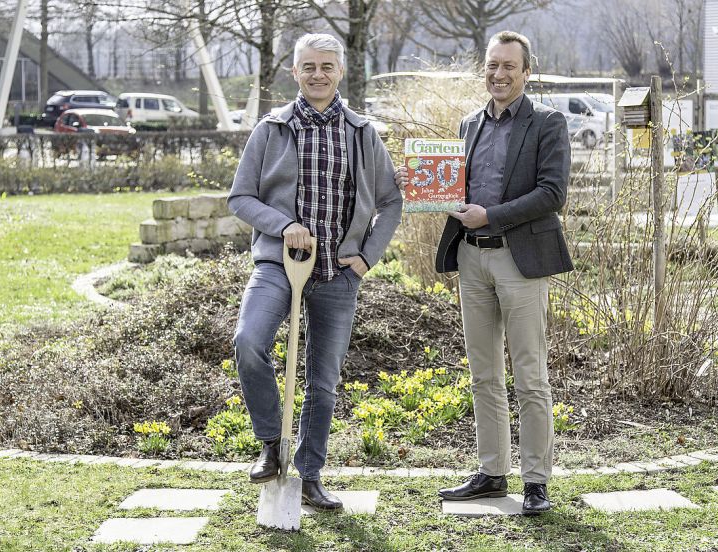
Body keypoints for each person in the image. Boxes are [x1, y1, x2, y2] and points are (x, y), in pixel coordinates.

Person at [227, 33, 402, 511]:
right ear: (296, 72)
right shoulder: (271, 128)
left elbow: (390, 201)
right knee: (248, 341)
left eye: (327, 66)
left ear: (340, 71)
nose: (318, 74)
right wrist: (284, 225)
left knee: (322, 381)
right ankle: (270, 444)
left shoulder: (362, 132)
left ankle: (309, 476)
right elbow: (240, 197)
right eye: (309, 67)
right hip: (277, 266)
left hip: (338, 274)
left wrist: (367, 256)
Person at [431, 30, 572, 515]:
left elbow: (552, 194)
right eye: (492, 65)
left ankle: (536, 481)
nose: (499, 74)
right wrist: (435, 192)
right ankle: (492, 473)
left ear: (526, 72)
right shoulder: (468, 124)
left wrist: (491, 216)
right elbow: (452, 183)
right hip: (471, 257)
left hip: (521, 260)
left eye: (509, 66)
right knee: (483, 373)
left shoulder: (548, 123)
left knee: (530, 374)